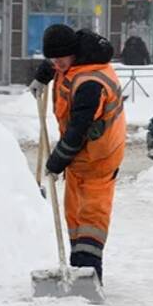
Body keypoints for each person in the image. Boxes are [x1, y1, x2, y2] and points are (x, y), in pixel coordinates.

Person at [28, 24, 125, 285]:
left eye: (60, 61)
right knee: (73, 215)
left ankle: (91, 275)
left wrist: (57, 160)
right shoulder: (70, 61)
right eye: (53, 60)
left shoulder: (91, 83)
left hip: (100, 159)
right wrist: (42, 75)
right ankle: (76, 268)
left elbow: (78, 130)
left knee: (92, 218)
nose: (56, 65)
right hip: (80, 159)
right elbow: (55, 64)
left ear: (73, 55)